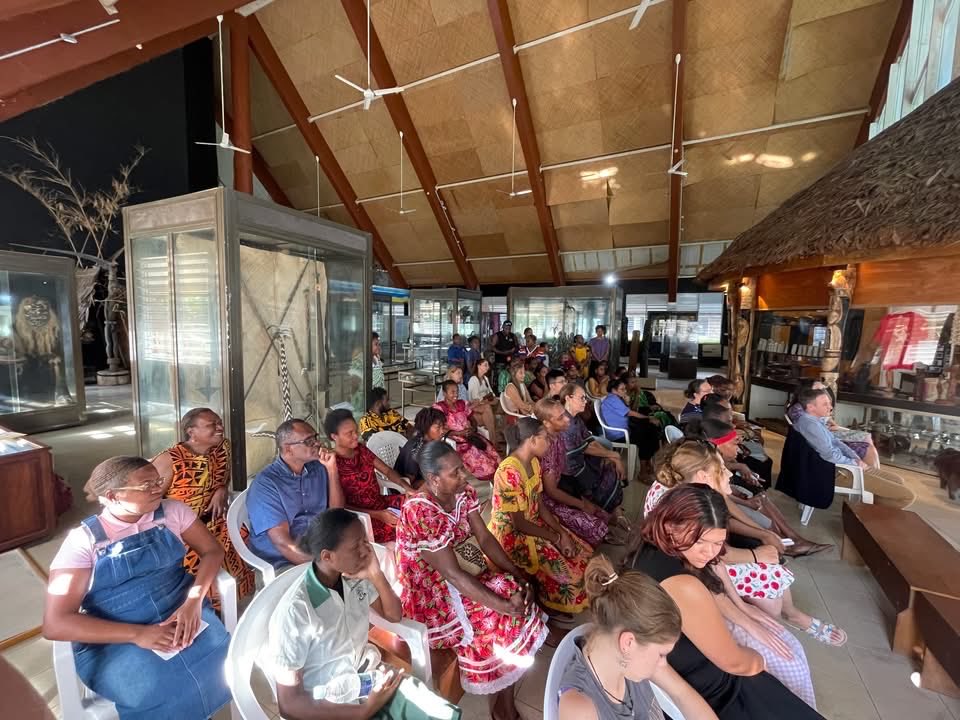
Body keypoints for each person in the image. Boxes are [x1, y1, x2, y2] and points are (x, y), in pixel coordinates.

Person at [44, 457, 232, 719]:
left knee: (222, 662)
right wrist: (138, 635)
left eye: (158, 481)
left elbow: (212, 551)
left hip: (177, 610)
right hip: (117, 634)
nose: (159, 488)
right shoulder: (84, 542)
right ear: (113, 496)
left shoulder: (172, 512)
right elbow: (56, 623)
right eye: (146, 485)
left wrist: (193, 601)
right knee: (154, 688)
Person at [628, 485, 827, 719]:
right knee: (784, 662)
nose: (709, 553)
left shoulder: (649, 549)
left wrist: (743, 613)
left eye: (717, 543)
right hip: (717, 692)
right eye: (700, 542)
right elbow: (734, 663)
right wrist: (761, 662)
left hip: (689, 670)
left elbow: (715, 577)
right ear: (671, 525)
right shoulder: (683, 585)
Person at [395, 441, 548, 720]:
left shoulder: (462, 492)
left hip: (462, 568)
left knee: (515, 589)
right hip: (431, 590)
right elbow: (451, 574)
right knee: (497, 615)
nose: (464, 476)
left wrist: (516, 573)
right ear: (433, 479)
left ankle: (504, 691)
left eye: (461, 468)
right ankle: (502, 705)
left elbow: (485, 539)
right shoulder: (419, 510)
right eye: (455, 472)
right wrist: (501, 605)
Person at [643, 441, 846, 648]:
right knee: (770, 579)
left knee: (772, 564)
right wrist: (757, 556)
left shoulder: (686, 485)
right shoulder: (685, 507)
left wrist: (762, 534)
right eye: (722, 470)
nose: (729, 475)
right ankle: (775, 627)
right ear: (703, 476)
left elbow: (722, 514)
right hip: (686, 565)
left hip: (701, 558)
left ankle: (790, 615)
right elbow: (712, 556)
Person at [264, 508, 461, 720]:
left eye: (364, 542)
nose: (365, 551)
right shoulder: (296, 611)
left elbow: (394, 615)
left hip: (364, 682)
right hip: (328, 705)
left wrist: (376, 574)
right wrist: (363, 712)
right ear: (327, 556)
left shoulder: (354, 576)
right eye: (356, 547)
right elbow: (289, 704)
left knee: (442, 715)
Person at [558, 555, 719, 720]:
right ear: (628, 643)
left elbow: (682, 693)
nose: (663, 664)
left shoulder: (627, 655)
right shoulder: (579, 709)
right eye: (661, 654)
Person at [488, 418, 592, 618]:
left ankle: (550, 594)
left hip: (532, 522)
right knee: (566, 570)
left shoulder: (534, 463)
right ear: (532, 440)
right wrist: (554, 539)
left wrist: (561, 533)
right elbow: (518, 523)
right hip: (511, 533)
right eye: (545, 438)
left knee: (581, 553)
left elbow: (540, 505)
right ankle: (548, 601)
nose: (550, 442)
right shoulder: (509, 471)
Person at [153, 408, 255, 603]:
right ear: (192, 432)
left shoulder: (223, 447)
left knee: (235, 573)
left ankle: (228, 612)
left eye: (219, 422)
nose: (220, 428)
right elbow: (151, 500)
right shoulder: (171, 460)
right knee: (195, 587)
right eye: (212, 425)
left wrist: (221, 489)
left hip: (218, 525)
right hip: (184, 534)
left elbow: (224, 477)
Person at [691, 419, 831, 557]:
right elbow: (725, 514)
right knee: (758, 509)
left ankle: (791, 539)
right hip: (723, 518)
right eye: (735, 443)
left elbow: (724, 498)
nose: (738, 448)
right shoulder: (706, 473)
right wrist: (762, 532)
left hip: (725, 504)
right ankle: (784, 543)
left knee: (758, 498)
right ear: (717, 444)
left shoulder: (711, 464)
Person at [792, 388, 915, 508]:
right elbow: (829, 455)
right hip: (837, 472)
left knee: (898, 480)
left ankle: (870, 508)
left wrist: (856, 458)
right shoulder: (810, 425)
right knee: (908, 496)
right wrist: (853, 463)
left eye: (829, 403)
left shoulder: (814, 421)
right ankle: (870, 516)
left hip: (843, 466)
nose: (830, 407)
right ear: (810, 407)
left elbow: (836, 442)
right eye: (825, 404)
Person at [248, 419, 345, 568]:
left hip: (320, 547)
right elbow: (285, 545)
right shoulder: (267, 484)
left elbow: (337, 512)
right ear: (288, 449)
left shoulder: (319, 468)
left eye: (316, 438)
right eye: (308, 441)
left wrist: (332, 470)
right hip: (283, 561)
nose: (317, 444)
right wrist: (327, 566)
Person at [536, 397, 623, 548]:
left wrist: (581, 499)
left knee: (599, 511)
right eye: (560, 417)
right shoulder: (546, 446)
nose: (567, 419)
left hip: (564, 485)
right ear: (546, 423)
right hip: (546, 499)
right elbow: (551, 491)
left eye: (565, 414)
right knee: (593, 526)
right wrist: (580, 504)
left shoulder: (558, 436)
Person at [326, 409, 416, 544]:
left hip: (380, 503)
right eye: (349, 433)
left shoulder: (361, 450)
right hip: (361, 517)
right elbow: (341, 506)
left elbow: (386, 470)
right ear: (334, 436)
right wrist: (378, 515)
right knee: (407, 526)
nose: (356, 436)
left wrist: (407, 487)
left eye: (355, 430)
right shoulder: (332, 464)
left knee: (418, 503)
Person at [559, 383, 626, 510]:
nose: (585, 401)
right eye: (582, 398)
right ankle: (607, 508)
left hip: (581, 460)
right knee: (606, 475)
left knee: (610, 465)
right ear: (568, 398)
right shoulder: (565, 422)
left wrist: (613, 457)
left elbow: (590, 441)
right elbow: (586, 448)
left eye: (585, 398)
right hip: (571, 471)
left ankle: (613, 508)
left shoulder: (575, 419)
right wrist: (614, 455)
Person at [787, 380, 880, 468]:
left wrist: (855, 458)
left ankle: (865, 471)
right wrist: (854, 462)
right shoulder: (807, 419)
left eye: (822, 389)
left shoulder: (808, 415)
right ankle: (866, 473)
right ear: (807, 391)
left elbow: (829, 435)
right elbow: (829, 452)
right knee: (868, 449)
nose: (822, 390)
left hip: (828, 436)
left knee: (867, 438)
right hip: (825, 444)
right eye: (818, 389)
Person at [433, 380, 502, 481]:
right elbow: (440, 429)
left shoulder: (462, 404)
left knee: (491, 452)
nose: (456, 394)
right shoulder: (439, 408)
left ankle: (501, 476)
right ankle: (495, 479)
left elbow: (472, 419)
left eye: (457, 391)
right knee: (479, 456)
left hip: (470, 436)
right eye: (452, 392)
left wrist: (472, 428)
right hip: (456, 441)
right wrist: (459, 433)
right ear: (444, 393)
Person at [599, 376, 662, 461]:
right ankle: (645, 463)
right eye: (622, 389)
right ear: (614, 390)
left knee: (649, 429)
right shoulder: (613, 400)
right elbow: (630, 413)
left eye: (625, 388)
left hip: (624, 429)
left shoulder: (615, 398)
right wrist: (649, 418)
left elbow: (627, 411)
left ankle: (647, 461)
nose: (625, 391)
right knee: (647, 435)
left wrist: (627, 402)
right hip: (619, 435)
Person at [394, 407, 447, 486]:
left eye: (443, 426)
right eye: (438, 427)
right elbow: (410, 483)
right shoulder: (416, 449)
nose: (443, 431)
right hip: (407, 489)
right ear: (426, 427)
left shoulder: (433, 442)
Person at [466, 357, 498, 439]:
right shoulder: (473, 379)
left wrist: (490, 399)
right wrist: (487, 399)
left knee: (501, 404)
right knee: (488, 408)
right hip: (476, 405)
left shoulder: (485, 379)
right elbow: (475, 399)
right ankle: (493, 440)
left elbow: (491, 393)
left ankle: (501, 435)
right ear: (479, 366)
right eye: (485, 365)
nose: (488, 367)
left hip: (485, 402)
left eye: (488, 365)